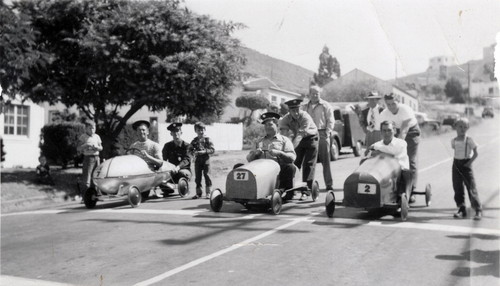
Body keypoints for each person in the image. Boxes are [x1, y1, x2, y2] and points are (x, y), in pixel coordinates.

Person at [380, 93, 420, 203]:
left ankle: (411, 191)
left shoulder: (405, 110)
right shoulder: (384, 113)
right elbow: (383, 132)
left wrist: (396, 146)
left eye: (393, 104)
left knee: (409, 161)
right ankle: (392, 188)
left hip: (411, 131)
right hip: (395, 131)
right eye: (388, 104)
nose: (391, 107)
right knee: (389, 159)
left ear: (399, 102)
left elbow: (404, 130)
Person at [280, 99, 319, 200]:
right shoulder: (285, 119)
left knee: (308, 164)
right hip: (298, 139)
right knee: (294, 164)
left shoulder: (305, 116)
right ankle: (291, 191)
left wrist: (290, 149)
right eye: (293, 111)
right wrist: (283, 150)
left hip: (310, 139)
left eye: (297, 110)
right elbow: (283, 136)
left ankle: (306, 191)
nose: (296, 113)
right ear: (289, 111)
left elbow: (300, 135)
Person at [247, 112, 296, 190]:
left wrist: (280, 153)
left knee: (290, 167)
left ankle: (284, 191)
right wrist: (255, 154)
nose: (267, 127)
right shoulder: (258, 141)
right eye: (265, 125)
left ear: (277, 125)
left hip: (278, 170)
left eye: (270, 124)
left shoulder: (284, 140)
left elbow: (292, 158)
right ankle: (242, 190)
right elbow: (249, 159)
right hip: (260, 170)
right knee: (239, 166)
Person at [368, 121, 411, 201]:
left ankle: (403, 196)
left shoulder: (401, 143)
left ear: (394, 131)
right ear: (381, 132)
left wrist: (379, 152)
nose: (386, 133)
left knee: (404, 173)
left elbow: (393, 155)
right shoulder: (377, 145)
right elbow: (368, 154)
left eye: (389, 130)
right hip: (382, 170)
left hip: (399, 169)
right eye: (384, 130)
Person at [302, 85, 335, 191]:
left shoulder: (325, 105)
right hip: (309, 135)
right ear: (309, 94)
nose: (315, 95)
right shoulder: (304, 106)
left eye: (317, 93)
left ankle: (329, 184)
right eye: (313, 93)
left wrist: (327, 132)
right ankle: (308, 186)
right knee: (309, 162)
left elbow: (331, 120)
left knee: (326, 161)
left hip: (322, 133)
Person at [451, 118, 482, 220]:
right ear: (455, 127)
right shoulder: (453, 141)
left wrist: (469, 163)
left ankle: (478, 210)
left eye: (465, 127)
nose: (462, 129)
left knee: (471, 187)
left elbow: (476, 153)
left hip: (466, 164)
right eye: (460, 126)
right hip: (456, 164)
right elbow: (455, 151)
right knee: (457, 187)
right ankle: (461, 208)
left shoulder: (469, 140)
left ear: (468, 128)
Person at [161, 123, 191, 196]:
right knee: (160, 178)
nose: (176, 133)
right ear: (171, 133)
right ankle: (168, 189)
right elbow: (164, 160)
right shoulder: (167, 146)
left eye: (177, 131)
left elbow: (187, 159)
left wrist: (178, 167)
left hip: (184, 170)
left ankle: (184, 187)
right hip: (172, 171)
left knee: (181, 173)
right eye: (173, 131)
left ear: (181, 132)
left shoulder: (187, 146)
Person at [77, 120, 102, 200]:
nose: (92, 130)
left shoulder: (97, 136)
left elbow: (101, 147)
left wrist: (97, 148)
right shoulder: (83, 137)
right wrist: (86, 145)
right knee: (87, 178)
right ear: (86, 129)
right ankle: (85, 197)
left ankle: (95, 195)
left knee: (96, 177)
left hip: (96, 157)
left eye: (93, 128)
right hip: (88, 158)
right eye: (90, 128)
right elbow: (78, 148)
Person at [189, 122, 215, 199]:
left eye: (202, 129)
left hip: (206, 159)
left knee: (207, 176)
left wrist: (204, 151)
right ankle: (198, 192)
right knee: (198, 177)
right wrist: (193, 153)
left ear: (205, 130)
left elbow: (212, 150)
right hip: (197, 160)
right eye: (199, 130)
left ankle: (208, 192)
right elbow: (189, 149)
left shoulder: (208, 139)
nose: (201, 132)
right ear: (195, 131)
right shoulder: (194, 141)